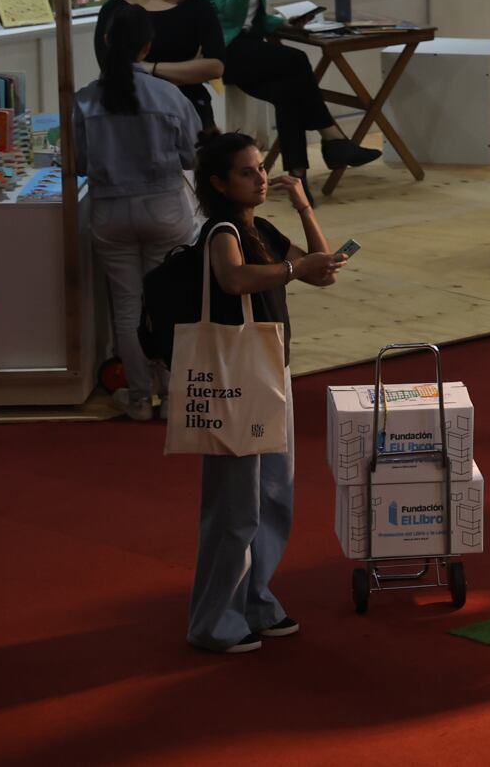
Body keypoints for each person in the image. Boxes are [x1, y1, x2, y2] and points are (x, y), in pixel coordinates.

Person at [186, 130, 346, 654]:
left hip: (271, 373)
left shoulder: (264, 228)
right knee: (235, 507)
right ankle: (213, 621)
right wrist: (295, 268)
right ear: (218, 182)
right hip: (237, 380)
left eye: (260, 168)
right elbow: (232, 280)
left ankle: (256, 601)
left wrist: (304, 207)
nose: (260, 178)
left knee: (273, 498)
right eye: (246, 171)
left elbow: (322, 272)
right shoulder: (222, 229)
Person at [195, 0, 381, 190]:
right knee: (295, 60)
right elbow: (230, 13)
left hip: (249, 46)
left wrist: (280, 23)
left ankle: (297, 176)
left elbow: (252, 16)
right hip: (223, 50)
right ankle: (332, 138)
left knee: (288, 93)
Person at [74, 2, 202, 422]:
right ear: (147, 47)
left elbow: (75, 164)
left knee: (127, 307)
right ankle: (172, 397)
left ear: (106, 41)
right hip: (165, 208)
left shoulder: (84, 100)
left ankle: (138, 397)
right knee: (165, 303)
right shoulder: (169, 94)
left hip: (110, 212)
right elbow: (192, 155)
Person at [99, 0, 226, 133]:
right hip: (134, 107)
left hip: (191, 105)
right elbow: (111, 69)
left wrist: (149, 68)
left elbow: (215, 67)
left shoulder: (197, 5)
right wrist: (187, 69)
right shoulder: (114, 10)